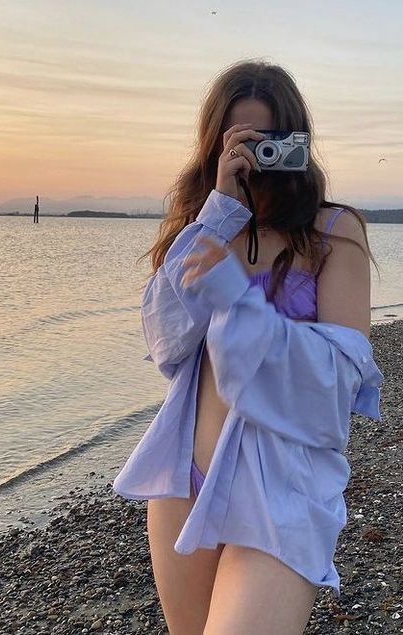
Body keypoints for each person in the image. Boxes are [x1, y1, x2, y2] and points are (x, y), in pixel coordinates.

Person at [112, 60, 384, 635]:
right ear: (214, 148)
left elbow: (337, 383)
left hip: (282, 488)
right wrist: (218, 212)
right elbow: (164, 343)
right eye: (242, 142)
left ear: (299, 143)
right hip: (186, 477)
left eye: (272, 141)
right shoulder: (207, 229)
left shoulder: (334, 233)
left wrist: (239, 305)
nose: (259, 158)